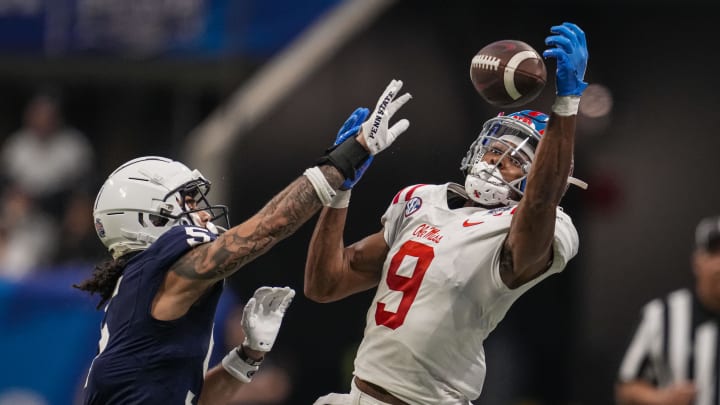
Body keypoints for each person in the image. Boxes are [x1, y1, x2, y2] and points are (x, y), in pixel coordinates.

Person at [72, 79, 413, 405]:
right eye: (189, 202)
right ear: (149, 219)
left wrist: (247, 356)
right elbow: (269, 227)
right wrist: (347, 157)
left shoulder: (141, 292)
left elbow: (191, 399)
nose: (203, 215)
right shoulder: (158, 270)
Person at [304, 22, 589, 404]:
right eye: (493, 149)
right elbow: (324, 284)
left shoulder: (533, 229)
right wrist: (341, 187)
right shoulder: (421, 200)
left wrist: (566, 105)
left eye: (515, 160)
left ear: (542, 176)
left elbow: (539, 205)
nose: (494, 161)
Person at [615, 215, 720, 405]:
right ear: (697, 262)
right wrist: (662, 398)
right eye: (714, 253)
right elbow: (626, 388)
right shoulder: (660, 315)